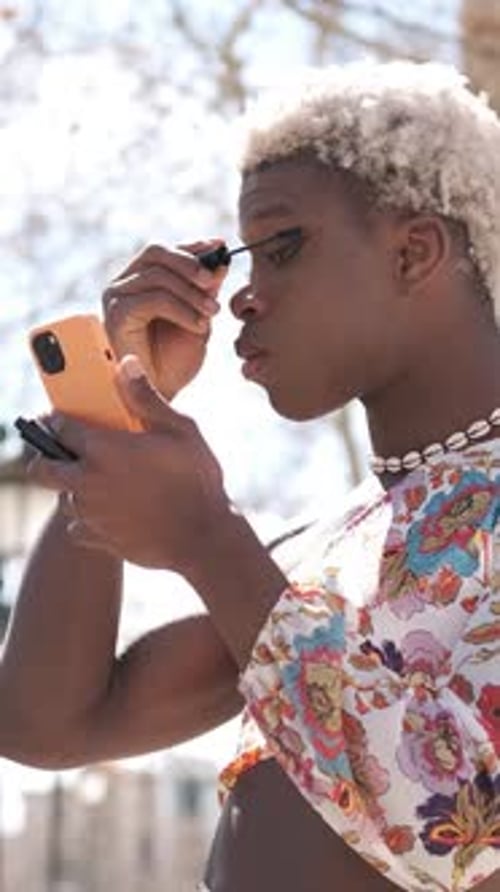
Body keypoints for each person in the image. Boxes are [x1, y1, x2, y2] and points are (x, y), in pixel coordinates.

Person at [1, 60, 500, 892]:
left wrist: (204, 536)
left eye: (280, 248)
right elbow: (48, 723)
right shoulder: (325, 548)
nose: (241, 299)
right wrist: (123, 407)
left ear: (414, 252)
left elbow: (454, 824)